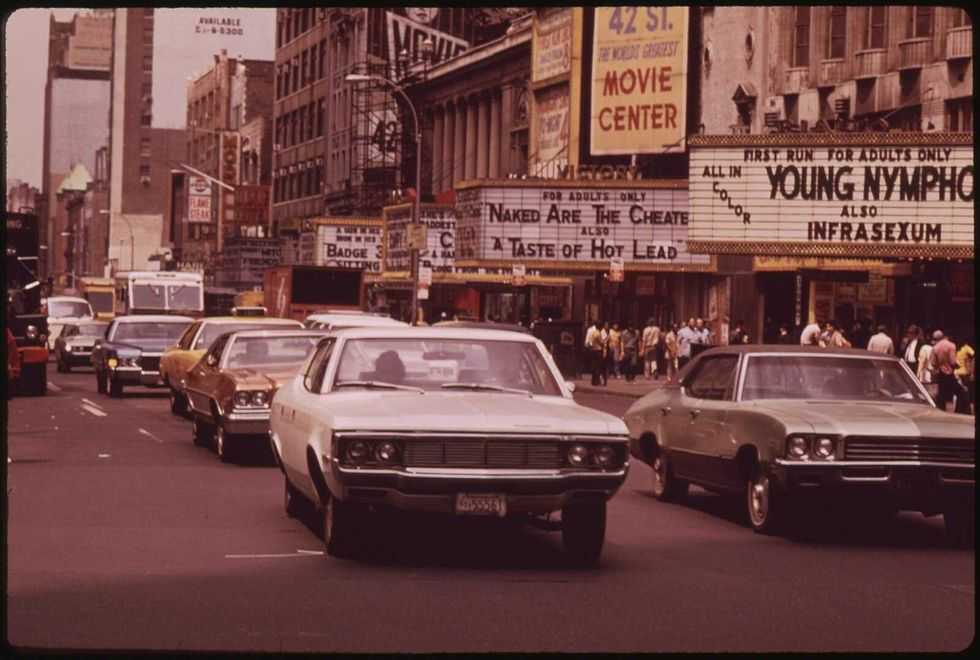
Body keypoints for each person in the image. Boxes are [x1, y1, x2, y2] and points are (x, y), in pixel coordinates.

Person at [931, 330, 958, 412]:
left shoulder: (935, 348)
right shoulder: (951, 345)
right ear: (943, 336)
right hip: (950, 373)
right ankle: (951, 413)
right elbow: (953, 361)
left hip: (941, 373)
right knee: (950, 396)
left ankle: (942, 413)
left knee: (941, 395)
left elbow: (933, 363)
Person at [954, 338, 975, 415]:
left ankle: (965, 410)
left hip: (964, 373)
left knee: (965, 391)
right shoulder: (957, 349)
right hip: (958, 373)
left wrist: (972, 371)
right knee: (961, 392)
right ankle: (960, 410)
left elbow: (973, 356)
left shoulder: (967, 348)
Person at [584, 319, 604, 386]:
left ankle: (594, 381)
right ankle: (597, 381)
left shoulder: (593, 332)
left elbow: (588, 341)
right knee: (598, 366)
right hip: (598, 350)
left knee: (594, 365)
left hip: (592, 349)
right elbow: (601, 342)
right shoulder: (597, 332)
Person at [916, 331, 936, 399]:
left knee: (925, 395)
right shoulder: (934, 348)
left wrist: (918, 374)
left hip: (925, 374)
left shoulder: (924, 348)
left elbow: (922, 362)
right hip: (932, 374)